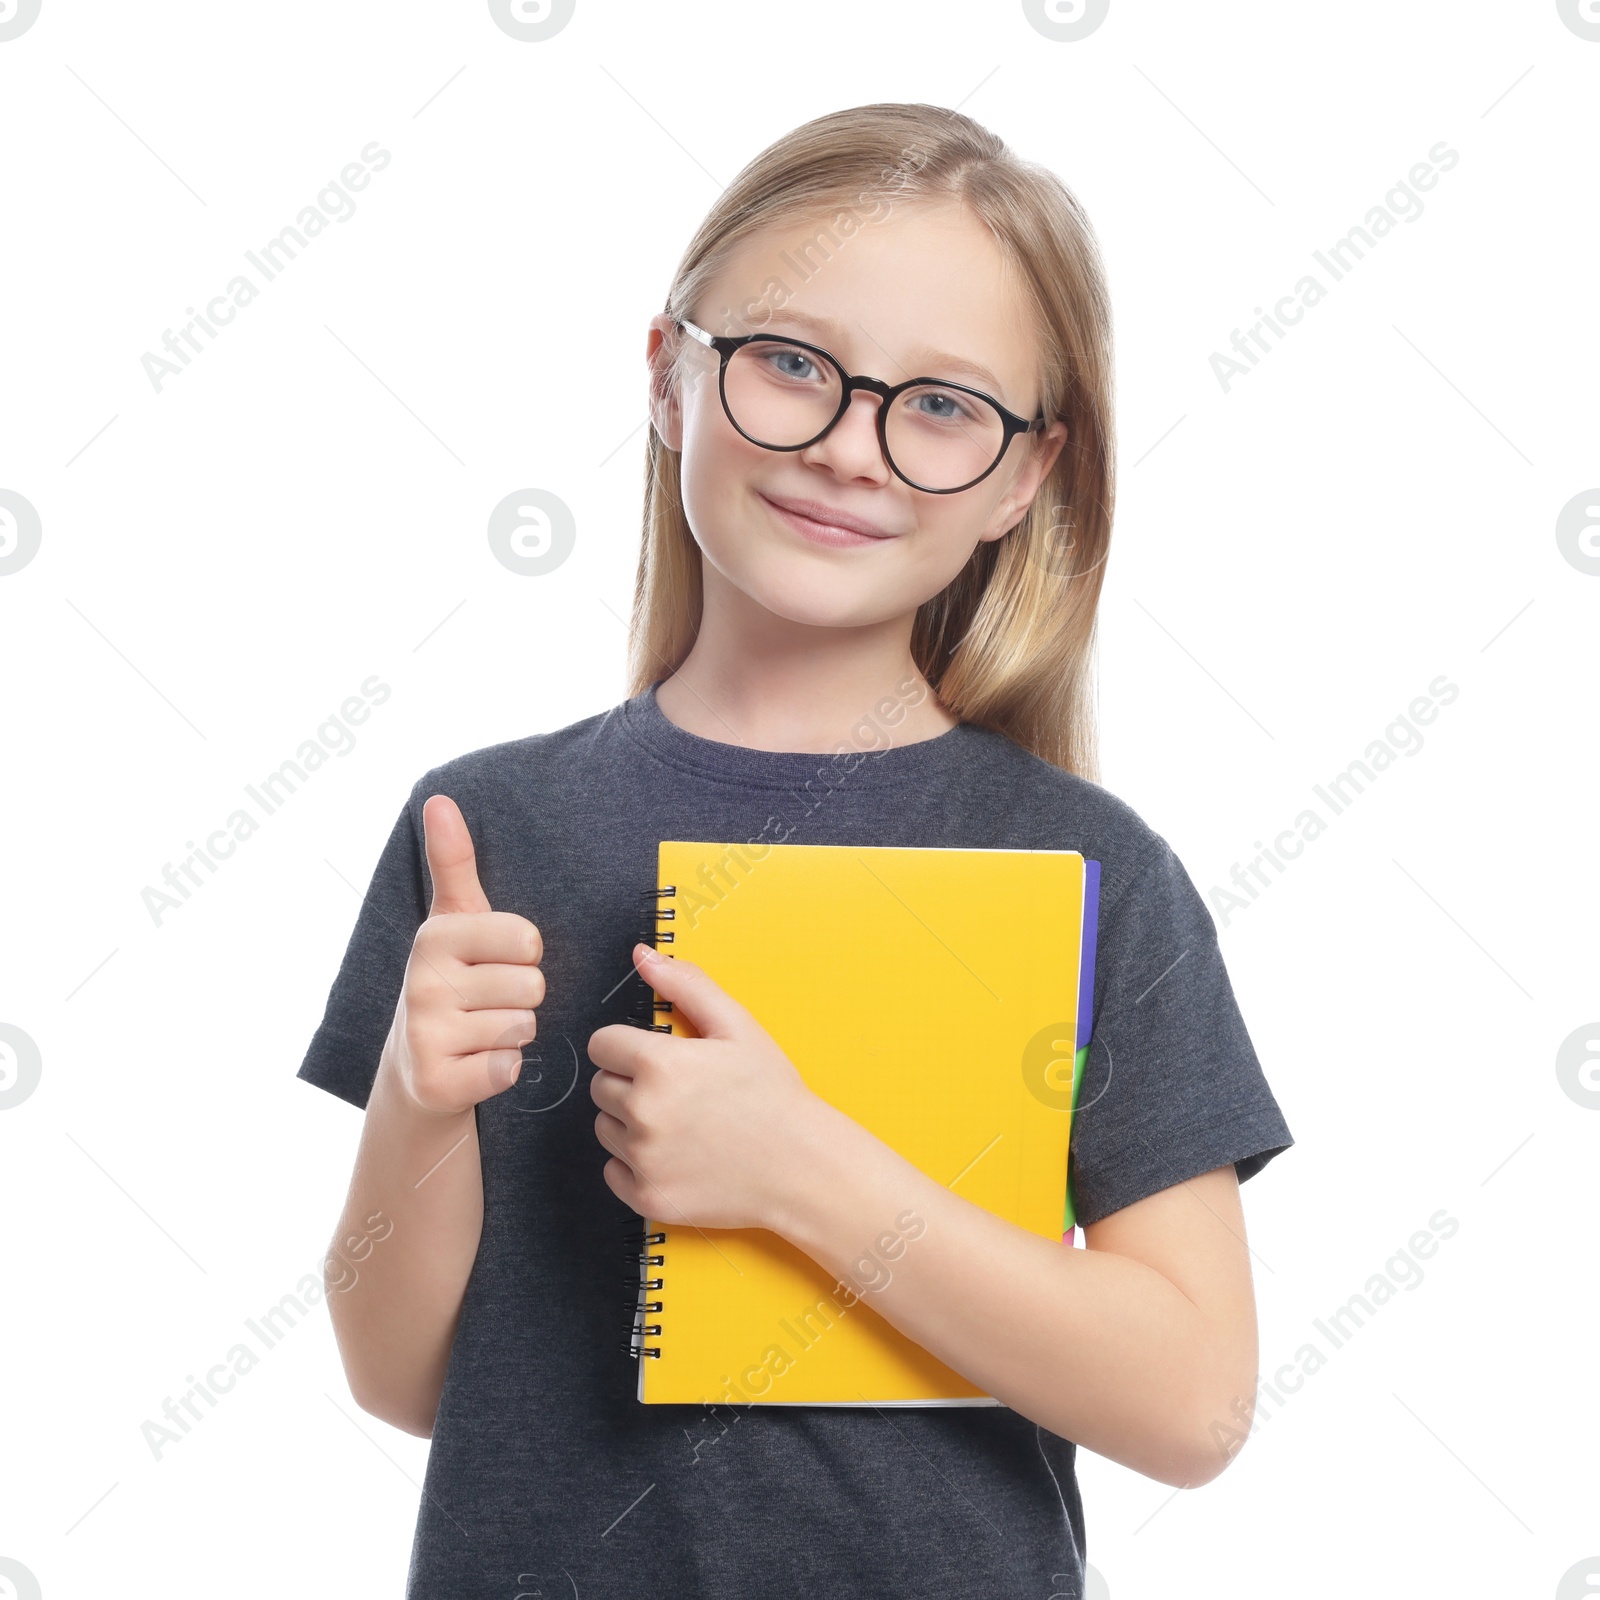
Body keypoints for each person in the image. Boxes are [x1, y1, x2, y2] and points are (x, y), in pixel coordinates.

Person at [297, 101, 1294, 1599]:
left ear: (1026, 479)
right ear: (668, 377)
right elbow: (410, 1383)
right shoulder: (484, 831)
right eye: (791, 363)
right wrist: (418, 1106)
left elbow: (1194, 1402)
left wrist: (797, 1171)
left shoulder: (1095, 872)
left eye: (945, 404)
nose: (848, 447)